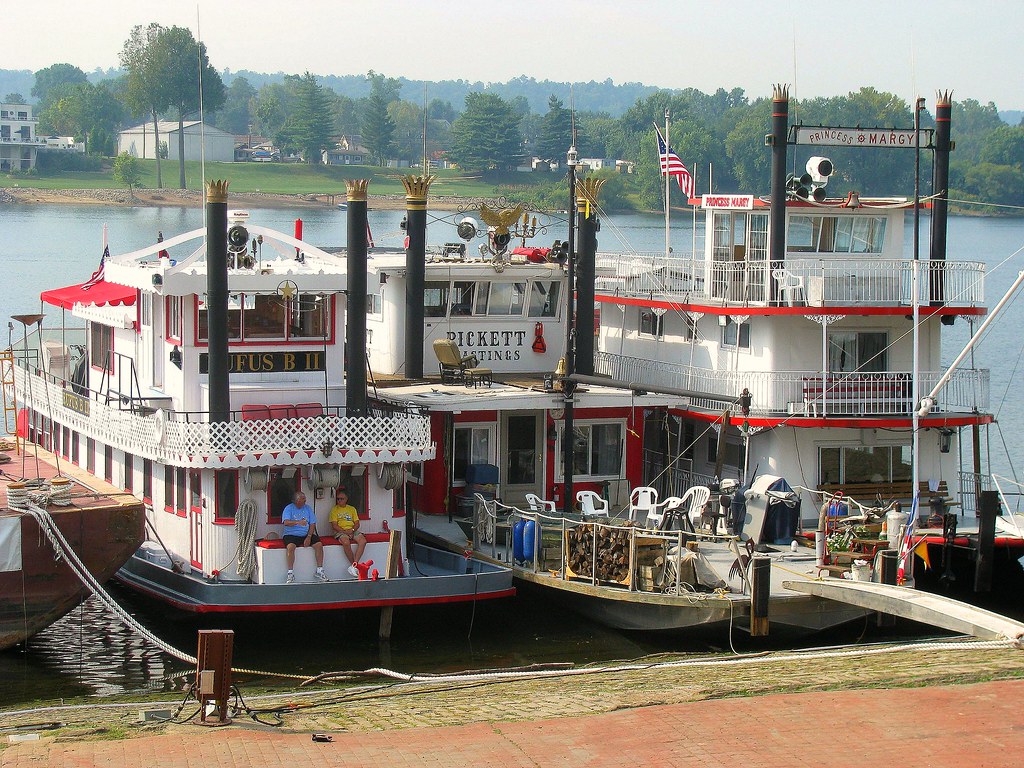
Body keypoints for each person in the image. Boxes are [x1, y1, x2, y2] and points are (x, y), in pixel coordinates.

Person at [281, 491, 327, 583]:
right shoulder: (288, 508)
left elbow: (312, 524)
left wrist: (309, 536)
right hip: (291, 534)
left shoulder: (308, 508)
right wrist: (298, 522)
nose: (305, 500)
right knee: (290, 547)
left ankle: (319, 571)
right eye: (303, 499)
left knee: (319, 545)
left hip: (305, 534)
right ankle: (290, 573)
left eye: (305, 499)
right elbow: (286, 522)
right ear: (296, 501)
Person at [329, 487, 366, 578]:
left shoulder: (352, 509)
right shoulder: (334, 510)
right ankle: (354, 565)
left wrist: (352, 530)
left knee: (363, 541)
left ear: (346, 499)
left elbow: (357, 523)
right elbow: (334, 525)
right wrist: (345, 532)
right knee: (346, 542)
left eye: (341, 499)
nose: (339, 501)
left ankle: (354, 564)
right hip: (340, 531)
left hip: (351, 530)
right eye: (338, 499)